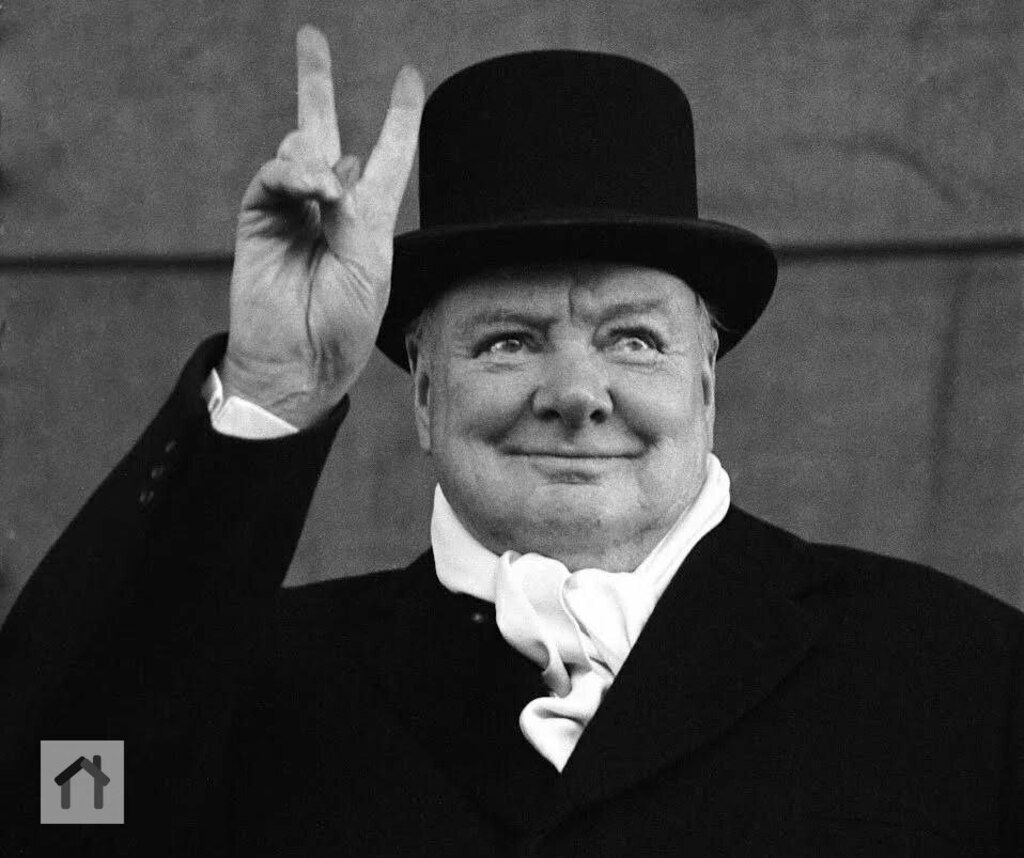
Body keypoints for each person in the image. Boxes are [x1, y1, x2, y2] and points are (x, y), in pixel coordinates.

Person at [1, 25, 1021, 858]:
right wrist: (275, 388)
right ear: (423, 392)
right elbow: (57, 805)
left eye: (632, 338)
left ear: (705, 380)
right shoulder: (246, 687)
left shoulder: (960, 675)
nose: (576, 393)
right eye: (507, 341)